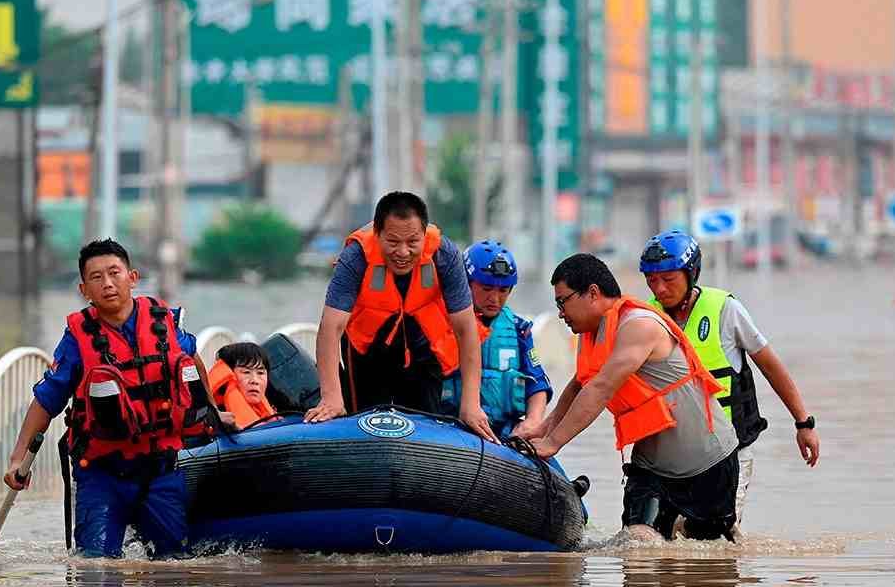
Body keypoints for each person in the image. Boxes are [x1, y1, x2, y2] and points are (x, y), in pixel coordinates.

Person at [2, 239, 230, 559]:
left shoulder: (163, 323)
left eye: (114, 273)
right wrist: (17, 458)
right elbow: (46, 400)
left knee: (174, 569)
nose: (107, 283)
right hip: (102, 474)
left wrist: (214, 412)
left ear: (132, 277)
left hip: (161, 471)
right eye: (96, 277)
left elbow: (192, 362)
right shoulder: (77, 340)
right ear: (85, 290)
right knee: (95, 570)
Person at [524, 253, 740, 542]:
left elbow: (601, 388)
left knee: (707, 559)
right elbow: (580, 384)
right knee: (637, 546)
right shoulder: (590, 333)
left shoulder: (638, 325)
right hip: (651, 469)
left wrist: (553, 443)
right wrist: (543, 428)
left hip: (707, 464)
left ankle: (689, 525)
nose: (561, 312)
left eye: (562, 302)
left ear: (592, 293)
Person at [640, 229, 819, 529]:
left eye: (668, 279)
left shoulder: (726, 310)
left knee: (716, 541)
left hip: (728, 448)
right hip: (670, 449)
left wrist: (804, 423)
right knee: (657, 538)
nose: (658, 289)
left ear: (691, 273)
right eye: (651, 279)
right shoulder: (645, 318)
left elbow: (772, 367)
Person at [304, 191, 497, 442]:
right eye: (393, 242)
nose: (403, 252)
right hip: (367, 347)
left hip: (422, 346)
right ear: (378, 234)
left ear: (424, 233)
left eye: (412, 242)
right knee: (363, 421)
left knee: (427, 425)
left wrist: (471, 404)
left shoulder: (444, 254)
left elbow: (465, 329)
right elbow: (331, 327)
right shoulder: (356, 256)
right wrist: (331, 396)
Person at [440, 240, 552, 439]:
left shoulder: (519, 329)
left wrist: (532, 421)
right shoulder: (441, 322)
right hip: (448, 428)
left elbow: (537, 382)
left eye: (503, 290)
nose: (495, 298)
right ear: (466, 283)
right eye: (486, 288)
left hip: (502, 432)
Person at [208, 341, 276, 429]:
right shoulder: (213, 420)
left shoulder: (275, 411)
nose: (254, 380)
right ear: (230, 375)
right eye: (246, 372)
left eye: (260, 373)